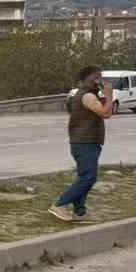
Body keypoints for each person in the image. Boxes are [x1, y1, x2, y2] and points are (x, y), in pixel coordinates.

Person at [50, 65, 113, 222]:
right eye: (97, 77)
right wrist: (109, 95)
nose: (100, 81)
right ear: (88, 79)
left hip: (86, 141)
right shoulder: (87, 97)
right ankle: (60, 204)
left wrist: (104, 96)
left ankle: (80, 211)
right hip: (85, 142)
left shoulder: (87, 95)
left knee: (84, 176)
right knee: (89, 177)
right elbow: (106, 113)